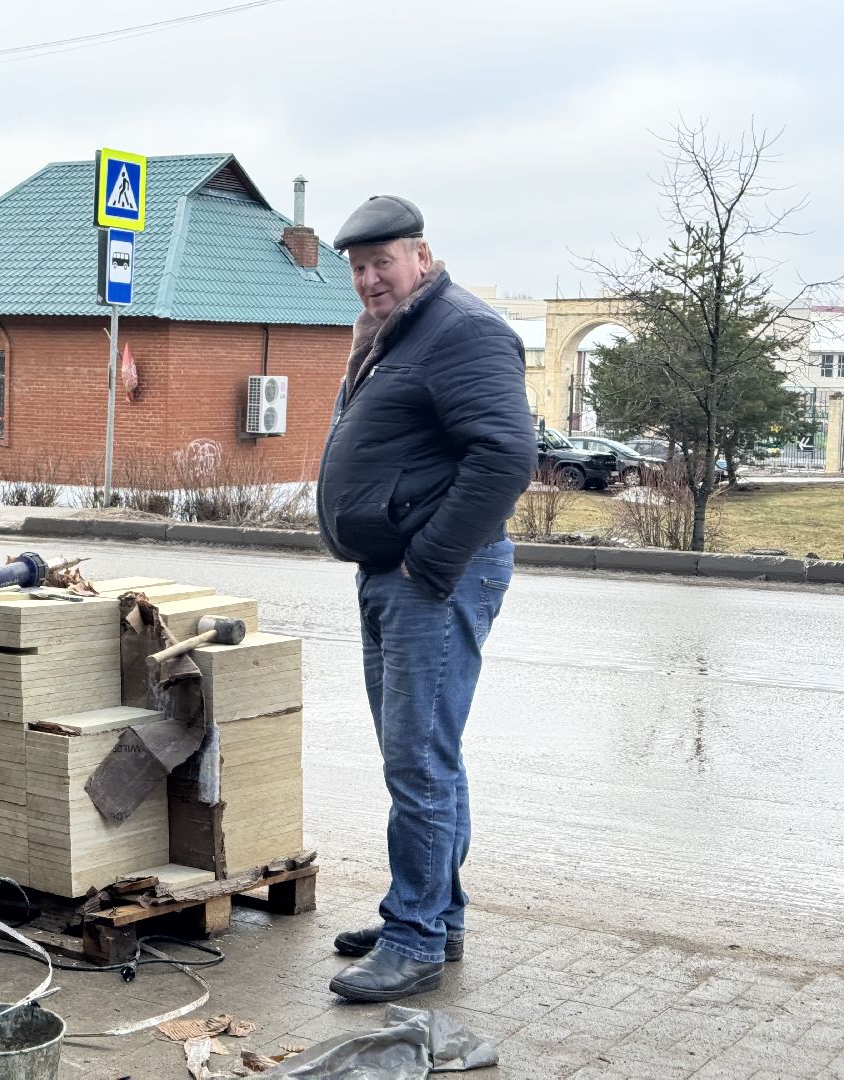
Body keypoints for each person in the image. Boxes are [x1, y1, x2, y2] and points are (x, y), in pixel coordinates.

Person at [316, 195, 536, 1002]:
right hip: (393, 575)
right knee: (425, 756)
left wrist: (429, 563)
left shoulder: (462, 330)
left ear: (422, 255)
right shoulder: (395, 332)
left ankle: (414, 938)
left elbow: (508, 453)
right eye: (359, 268)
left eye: (383, 263)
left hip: (433, 579)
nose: (371, 279)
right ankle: (434, 914)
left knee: (417, 763)